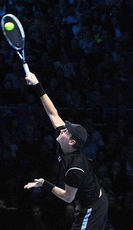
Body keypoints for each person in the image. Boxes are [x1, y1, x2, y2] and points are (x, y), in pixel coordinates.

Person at [24, 72, 108, 229]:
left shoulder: (75, 168)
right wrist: (37, 84)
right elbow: (52, 112)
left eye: (65, 131)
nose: (61, 130)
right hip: (90, 200)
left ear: (72, 141)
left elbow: (68, 197)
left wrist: (44, 184)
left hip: (93, 208)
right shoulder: (66, 143)